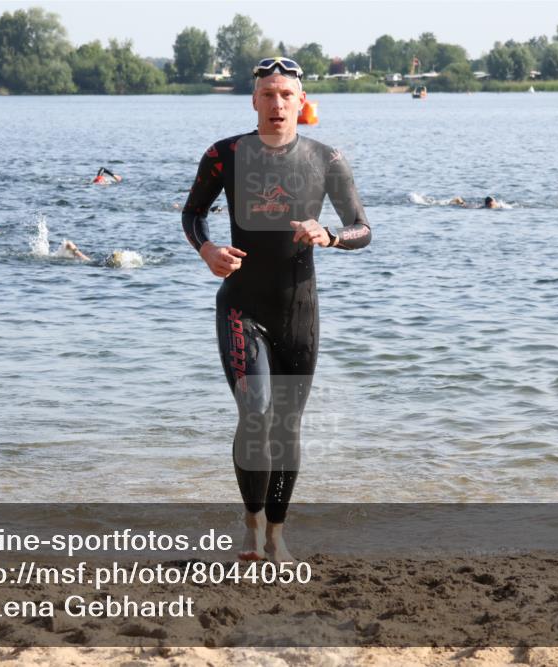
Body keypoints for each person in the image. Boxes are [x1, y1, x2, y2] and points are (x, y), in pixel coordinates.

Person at [181, 56, 372, 564]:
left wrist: (329, 235)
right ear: (254, 101)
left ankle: (276, 536)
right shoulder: (225, 155)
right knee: (256, 411)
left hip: (299, 313)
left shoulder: (326, 159)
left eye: (287, 94)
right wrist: (207, 250)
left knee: (286, 427)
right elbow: (192, 213)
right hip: (242, 307)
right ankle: (250, 529)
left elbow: (362, 228)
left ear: (301, 101)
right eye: (268, 94)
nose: (277, 103)